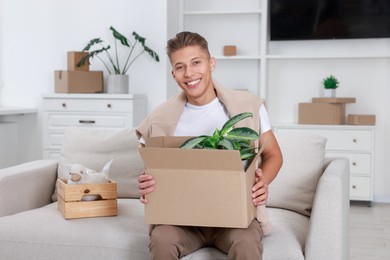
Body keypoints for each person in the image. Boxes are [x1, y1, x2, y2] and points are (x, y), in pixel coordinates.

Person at [137, 31, 283, 260]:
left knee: (246, 243)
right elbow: (152, 167)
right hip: (181, 220)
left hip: (234, 218)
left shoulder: (248, 108)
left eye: (196, 62)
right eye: (180, 67)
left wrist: (262, 183)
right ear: (173, 74)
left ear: (211, 63)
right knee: (161, 239)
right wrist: (146, 183)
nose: (189, 73)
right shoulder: (159, 118)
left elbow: (274, 155)